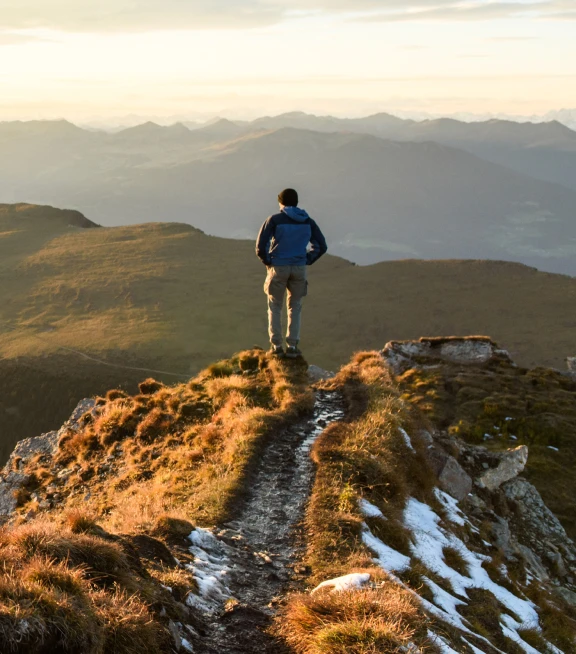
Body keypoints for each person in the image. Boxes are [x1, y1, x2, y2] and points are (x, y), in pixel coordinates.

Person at [256, 188, 327, 358]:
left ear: (280, 202)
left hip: (278, 267)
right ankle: (293, 347)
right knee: (295, 306)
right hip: (299, 268)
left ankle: (276, 346)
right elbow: (321, 246)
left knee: (275, 305)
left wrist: (269, 261)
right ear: (296, 202)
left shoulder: (274, 220)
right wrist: (306, 259)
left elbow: (261, 246)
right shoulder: (308, 222)